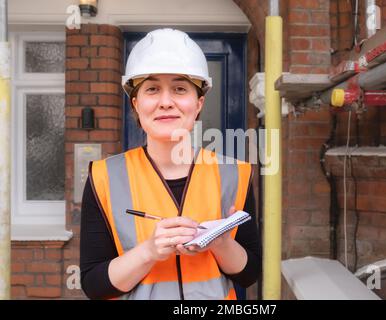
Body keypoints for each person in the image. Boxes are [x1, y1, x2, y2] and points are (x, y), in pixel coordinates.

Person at [79, 28, 262, 300]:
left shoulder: (235, 174)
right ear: (136, 103)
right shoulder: (104, 177)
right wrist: (149, 251)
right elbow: (94, 285)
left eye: (179, 89)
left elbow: (249, 274)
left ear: (198, 104)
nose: (166, 102)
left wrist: (222, 243)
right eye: (152, 89)